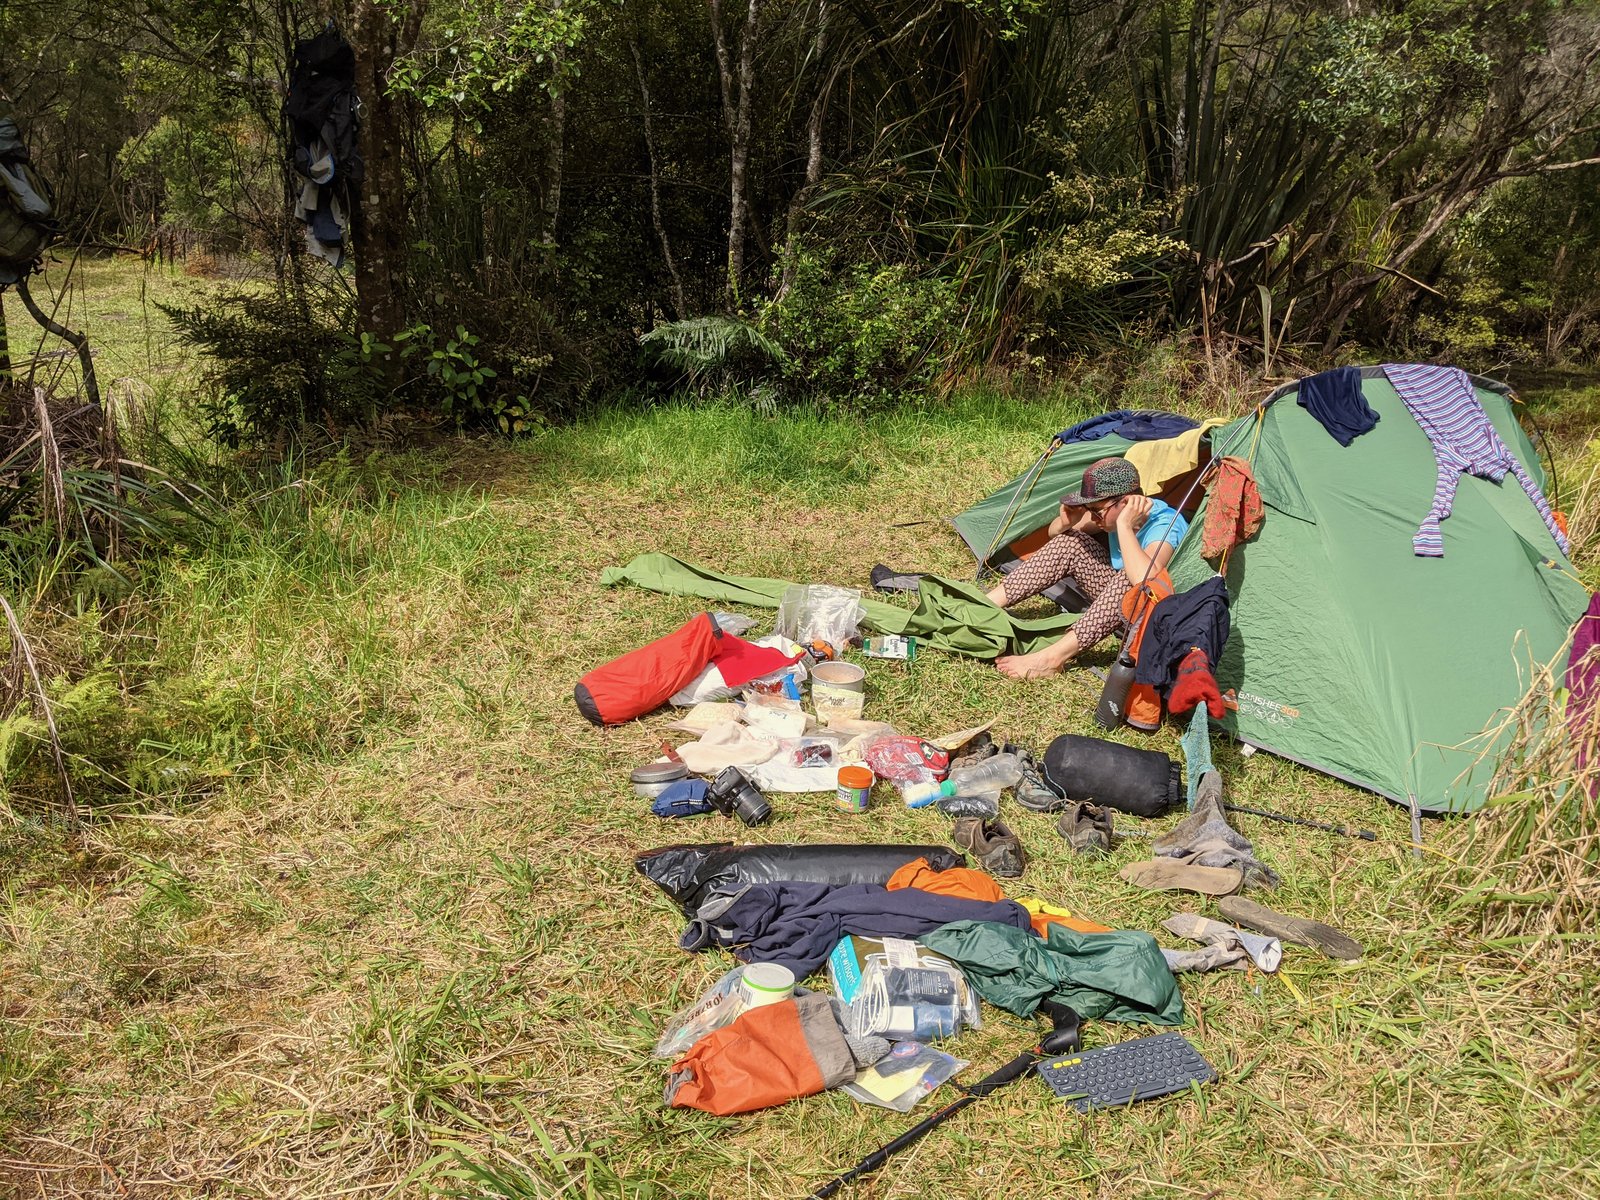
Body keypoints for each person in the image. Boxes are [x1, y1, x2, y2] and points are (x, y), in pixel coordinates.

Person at [991, 456, 1188, 679]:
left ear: (1125, 503)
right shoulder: (1106, 517)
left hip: (1154, 617)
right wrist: (1066, 522)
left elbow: (1146, 579)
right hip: (1115, 604)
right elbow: (1057, 537)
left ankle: (1052, 659)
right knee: (1071, 541)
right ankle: (987, 604)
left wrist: (1124, 524)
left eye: (1097, 510)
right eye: (1089, 510)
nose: (1093, 518)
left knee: (1130, 578)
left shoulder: (1165, 523)